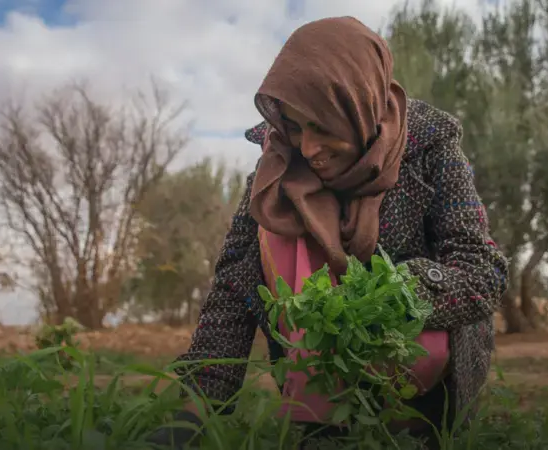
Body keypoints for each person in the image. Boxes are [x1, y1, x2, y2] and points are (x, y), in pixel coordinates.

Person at [147, 16, 509, 448]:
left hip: (425, 379)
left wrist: (393, 296)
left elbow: (483, 272)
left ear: (359, 107)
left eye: (322, 125)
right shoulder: (278, 165)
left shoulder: (433, 150)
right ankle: (326, 423)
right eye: (295, 126)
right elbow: (235, 285)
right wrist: (196, 410)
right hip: (321, 382)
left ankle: (412, 425)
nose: (308, 148)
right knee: (275, 222)